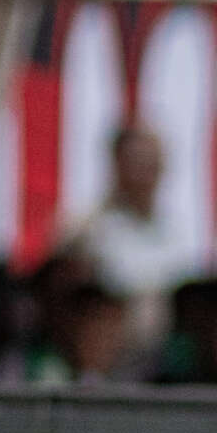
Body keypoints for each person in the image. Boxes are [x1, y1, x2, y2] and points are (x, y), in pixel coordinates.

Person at [72, 123, 194, 355]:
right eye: (137, 163)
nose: (146, 173)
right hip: (111, 356)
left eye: (153, 163)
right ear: (117, 165)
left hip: (163, 358)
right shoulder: (88, 229)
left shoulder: (175, 230)